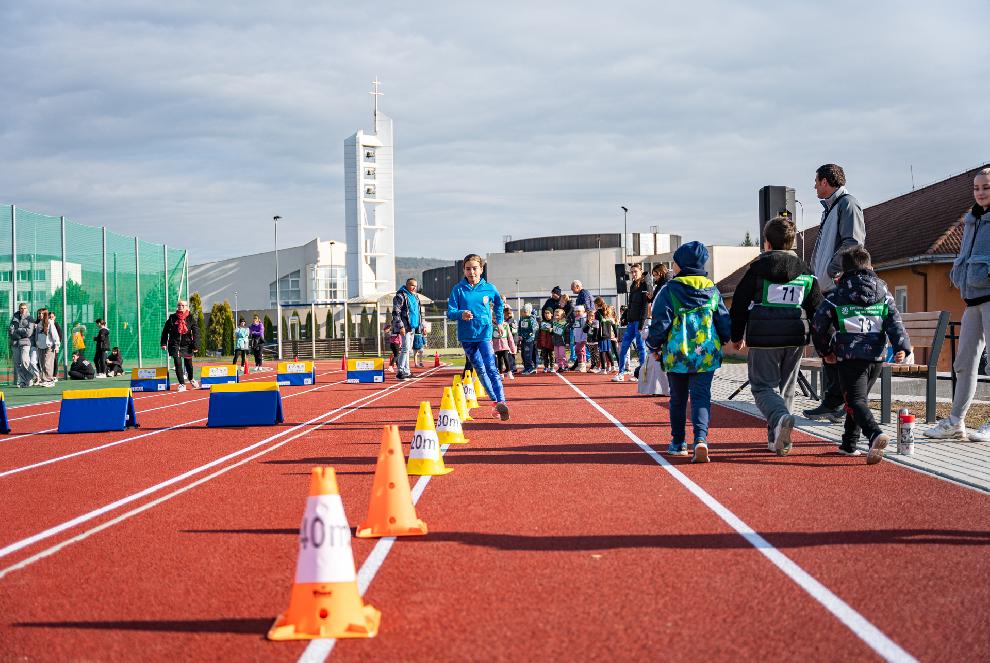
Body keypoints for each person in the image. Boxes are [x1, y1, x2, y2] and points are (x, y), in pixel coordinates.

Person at [730, 215, 824, 455]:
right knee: (787, 389)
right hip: (794, 337)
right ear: (791, 243)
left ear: (767, 244)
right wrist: (823, 344)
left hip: (764, 338)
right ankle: (779, 439)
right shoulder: (806, 272)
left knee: (762, 387)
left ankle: (781, 419)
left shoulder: (758, 269)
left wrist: (736, 335)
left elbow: (739, 302)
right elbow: (818, 310)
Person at [811, 246, 911, 463]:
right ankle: (849, 444)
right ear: (870, 267)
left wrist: (825, 351)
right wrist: (901, 346)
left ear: (843, 271)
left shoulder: (838, 294)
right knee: (859, 400)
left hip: (849, 357)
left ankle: (874, 433)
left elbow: (819, 323)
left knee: (854, 400)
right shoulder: (884, 293)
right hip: (876, 357)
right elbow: (894, 321)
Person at [646, 242, 731, 463]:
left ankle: (677, 442)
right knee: (702, 396)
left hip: (677, 354)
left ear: (682, 264)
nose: (672, 266)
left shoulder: (669, 290)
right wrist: (725, 338)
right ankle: (701, 439)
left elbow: (660, 323)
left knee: (678, 399)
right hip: (706, 353)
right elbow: (722, 318)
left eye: (674, 262)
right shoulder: (711, 289)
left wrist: (653, 346)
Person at [926, 168, 990, 441]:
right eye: (976, 188)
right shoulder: (972, 220)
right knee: (963, 362)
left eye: (986, 187)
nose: (980, 192)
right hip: (972, 301)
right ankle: (956, 421)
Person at [804, 164, 866, 423]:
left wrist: (832, 268)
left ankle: (836, 404)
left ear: (827, 182)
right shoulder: (830, 208)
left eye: (816, 182)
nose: (814, 186)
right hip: (824, 287)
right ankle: (832, 402)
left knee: (835, 346)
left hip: (837, 286)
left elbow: (853, 242)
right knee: (826, 345)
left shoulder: (847, 204)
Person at [446, 253, 510, 420]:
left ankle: (502, 401)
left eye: (475, 268)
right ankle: (495, 402)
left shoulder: (489, 288)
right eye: (468, 269)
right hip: (467, 336)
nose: (471, 272)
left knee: (491, 368)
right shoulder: (458, 289)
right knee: (480, 370)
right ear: (464, 270)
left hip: (484, 334)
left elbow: (499, 304)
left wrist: (500, 323)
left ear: (481, 269)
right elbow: (450, 312)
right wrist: (461, 314)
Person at [612, 263, 650, 382]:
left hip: (640, 322)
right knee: (623, 347)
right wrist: (625, 316)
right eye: (632, 272)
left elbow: (645, 306)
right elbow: (630, 304)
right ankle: (621, 373)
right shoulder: (633, 285)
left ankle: (643, 375)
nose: (633, 274)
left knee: (641, 348)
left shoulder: (646, 284)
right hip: (631, 322)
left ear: (641, 271)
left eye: (635, 271)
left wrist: (642, 323)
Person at [160, 300, 199, 392]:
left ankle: (191, 379)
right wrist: (163, 343)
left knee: (188, 365)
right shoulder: (172, 318)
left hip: (187, 345)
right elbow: (165, 331)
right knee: (177, 363)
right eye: (179, 305)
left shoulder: (190, 318)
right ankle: (182, 384)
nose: (180, 306)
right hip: (175, 344)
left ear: (186, 307)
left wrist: (196, 345)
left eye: (182, 305)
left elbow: (196, 332)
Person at [392, 278, 424, 381]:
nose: (414, 287)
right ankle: (400, 371)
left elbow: (419, 313)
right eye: (412, 285)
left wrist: (422, 326)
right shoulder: (400, 296)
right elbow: (395, 312)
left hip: (413, 327)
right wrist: (400, 326)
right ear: (407, 285)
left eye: (415, 285)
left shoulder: (415, 297)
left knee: (408, 350)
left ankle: (407, 371)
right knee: (405, 349)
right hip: (404, 327)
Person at [9, 302, 36, 387]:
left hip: (25, 342)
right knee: (17, 364)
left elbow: (28, 333)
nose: (23, 310)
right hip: (15, 343)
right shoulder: (14, 318)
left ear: (27, 309)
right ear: (19, 309)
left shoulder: (30, 318)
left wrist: (17, 330)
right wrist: (17, 332)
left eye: (24, 308)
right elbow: (10, 331)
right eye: (21, 308)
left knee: (24, 361)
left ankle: (31, 377)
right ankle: (23, 381)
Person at [34, 308, 60, 387]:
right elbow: (37, 336)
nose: (40, 315)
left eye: (42, 314)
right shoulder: (38, 324)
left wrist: (57, 345)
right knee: (42, 364)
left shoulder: (50, 323)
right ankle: (45, 379)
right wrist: (37, 344)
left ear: (45, 315)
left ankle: (50, 380)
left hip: (49, 346)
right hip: (40, 347)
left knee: (47, 363)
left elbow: (55, 335)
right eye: (39, 314)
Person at [492, 314, 517, 380]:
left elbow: (510, 337)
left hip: (504, 345)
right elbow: (490, 338)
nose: (496, 320)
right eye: (494, 318)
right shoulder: (491, 326)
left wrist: (513, 348)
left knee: (506, 358)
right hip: (496, 346)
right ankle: (501, 373)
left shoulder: (505, 325)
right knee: (499, 360)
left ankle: (509, 372)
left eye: (497, 318)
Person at [517, 303, 538, 375]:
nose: (522, 313)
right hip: (523, 340)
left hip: (529, 340)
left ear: (529, 311)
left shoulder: (531, 319)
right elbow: (519, 328)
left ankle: (530, 368)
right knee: (523, 354)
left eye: (524, 311)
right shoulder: (522, 319)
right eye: (522, 311)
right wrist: (520, 335)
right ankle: (526, 367)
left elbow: (534, 329)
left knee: (528, 354)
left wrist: (529, 335)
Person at [571, 305, 589, 372]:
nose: (577, 313)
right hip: (577, 338)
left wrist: (583, 339)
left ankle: (582, 365)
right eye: (576, 311)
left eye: (579, 311)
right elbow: (576, 329)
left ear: (583, 311)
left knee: (579, 350)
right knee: (580, 351)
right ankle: (580, 364)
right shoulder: (577, 319)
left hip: (582, 338)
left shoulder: (584, 319)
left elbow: (584, 330)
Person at [537, 307, 555, 373]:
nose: (546, 314)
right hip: (544, 342)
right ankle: (546, 367)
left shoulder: (553, 322)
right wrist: (539, 341)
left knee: (551, 355)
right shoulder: (542, 322)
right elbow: (539, 332)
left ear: (551, 314)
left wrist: (552, 330)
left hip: (551, 342)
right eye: (545, 313)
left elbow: (557, 331)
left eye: (548, 313)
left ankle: (552, 367)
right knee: (544, 355)